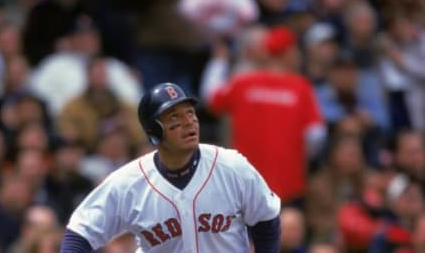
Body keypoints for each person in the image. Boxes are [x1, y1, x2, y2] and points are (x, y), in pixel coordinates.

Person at [60, 82, 281, 252]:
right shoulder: (129, 182)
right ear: (154, 132)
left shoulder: (231, 166)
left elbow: (266, 219)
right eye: (174, 117)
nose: (189, 122)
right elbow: (80, 233)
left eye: (190, 113)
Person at [202, 26, 325, 205]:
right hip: (288, 185)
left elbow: (211, 99)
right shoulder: (300, 87)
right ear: (289, 53)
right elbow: (316, 134)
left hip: (245, 184)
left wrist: (218, 62)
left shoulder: (244, 82)